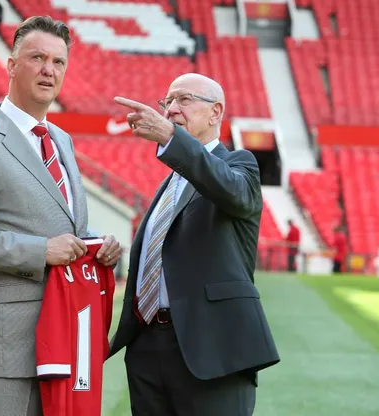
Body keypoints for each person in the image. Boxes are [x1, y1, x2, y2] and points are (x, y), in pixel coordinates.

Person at [0, 16, 122, 416]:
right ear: (11, 65)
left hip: (66, 336)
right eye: (37, 58)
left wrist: (96, 242)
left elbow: (61, 222)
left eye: (58, 62)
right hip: (5, 346)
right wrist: (40, 251)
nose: (48, 70)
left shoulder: (62, 140)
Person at [108, 73, 280, 416]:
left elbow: (229, 190)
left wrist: (171, 139)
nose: (172, 108)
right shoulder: (171, 183)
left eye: (184, 99)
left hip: (211, 346)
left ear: (216, 113)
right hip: (148, 346)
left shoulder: (239, 165)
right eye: (168, 101)